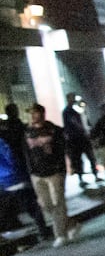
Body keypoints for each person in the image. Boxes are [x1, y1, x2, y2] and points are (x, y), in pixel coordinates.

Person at [24, 104, 73, 247]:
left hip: (54, 172)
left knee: (58, 202)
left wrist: (62, 168)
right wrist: (30, 170)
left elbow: (62, 149)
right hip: (36, 174)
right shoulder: (27, 132)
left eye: (35, 113)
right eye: (30, 113)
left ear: (42, 114)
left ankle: (60, 234)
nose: (32, 116)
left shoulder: (54, 130)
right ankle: (70, 223)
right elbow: (26, 153)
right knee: (45, 204)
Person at [1, 102, 48, 231]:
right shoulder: (20, 129)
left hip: (9, 177)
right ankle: (41, 225)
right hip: (17, 172)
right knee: (29, 199)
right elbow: (11, 154)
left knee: (24, 200)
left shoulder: (6, 131)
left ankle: (40, 225)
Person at [0, 132, 49, 241]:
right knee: (29, 204)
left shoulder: (1, 143)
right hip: (11, 178)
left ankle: (42, 228)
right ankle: (42, 227)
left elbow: (10, 157)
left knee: (28, 204)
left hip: (11, 178)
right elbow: (10, 156)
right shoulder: (2, 143)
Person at [62, 93, 101, 189]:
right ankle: (82, 178)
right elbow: (74, 124)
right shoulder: (68, 111)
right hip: (76, 139)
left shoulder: (75, 110)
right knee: (79, 159)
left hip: (82, 138)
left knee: (90, 157)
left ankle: (94, 175)